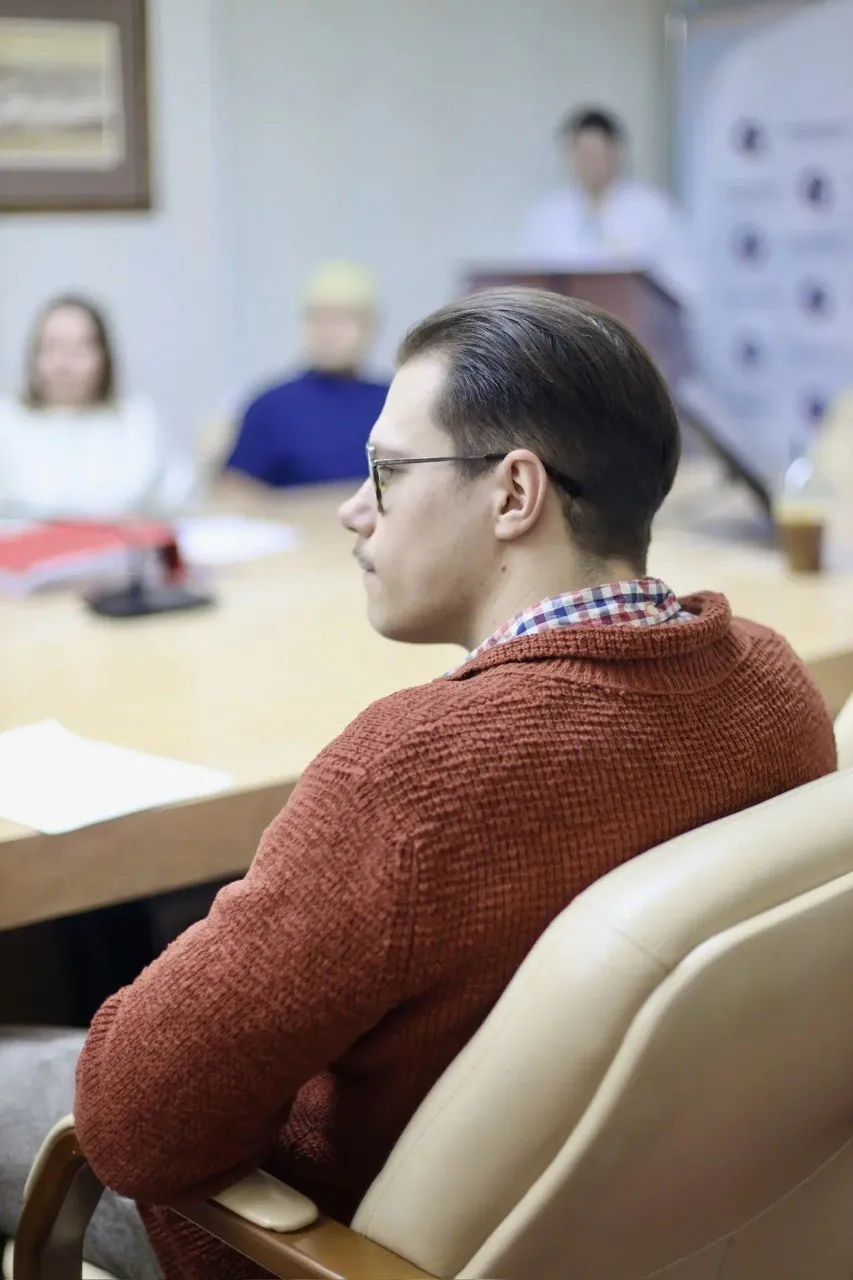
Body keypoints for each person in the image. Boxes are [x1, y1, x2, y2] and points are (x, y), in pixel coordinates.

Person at [0, 289, 836, 1280]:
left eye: (387, 472)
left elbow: (134, 1129)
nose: (355, 509)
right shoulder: (772, 684)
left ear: (513, 493)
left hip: (304, 1237)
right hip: (670, 1219)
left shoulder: (414, 777)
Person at [0, 295, 194, 520]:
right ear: (34, 356)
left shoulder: (138, 421)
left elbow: (178, 505)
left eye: (79, 348)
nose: (65, 363)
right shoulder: (7, 421)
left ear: (104, 357)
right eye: (52, 347)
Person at [225, 261, 389, 488]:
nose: (330, 332)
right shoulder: (272, 407)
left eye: (344, 319)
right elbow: (232, 491)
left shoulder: (396, 400)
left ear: (370, 327)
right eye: (320, 318)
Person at [521, 107, 698, 305]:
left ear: (616, 152)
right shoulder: (547, 215)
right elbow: (530, 285)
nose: (589, 164)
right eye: (581, 155)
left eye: (596, 154)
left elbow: (682, 285)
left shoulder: (653, 211)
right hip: (565, 321)